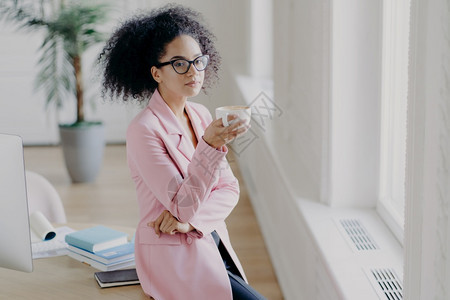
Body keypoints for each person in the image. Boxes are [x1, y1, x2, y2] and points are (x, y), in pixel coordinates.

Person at [99, 4, 266, 300]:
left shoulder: (201, 115)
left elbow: (229, 188)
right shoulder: (143, 130)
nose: (193, 72)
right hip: (172, 254)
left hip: (209, 238)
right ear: (156, 73)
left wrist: (191, 223)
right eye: (179, 63)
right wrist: (210, 146)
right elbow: (181, 203)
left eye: (198, 61)